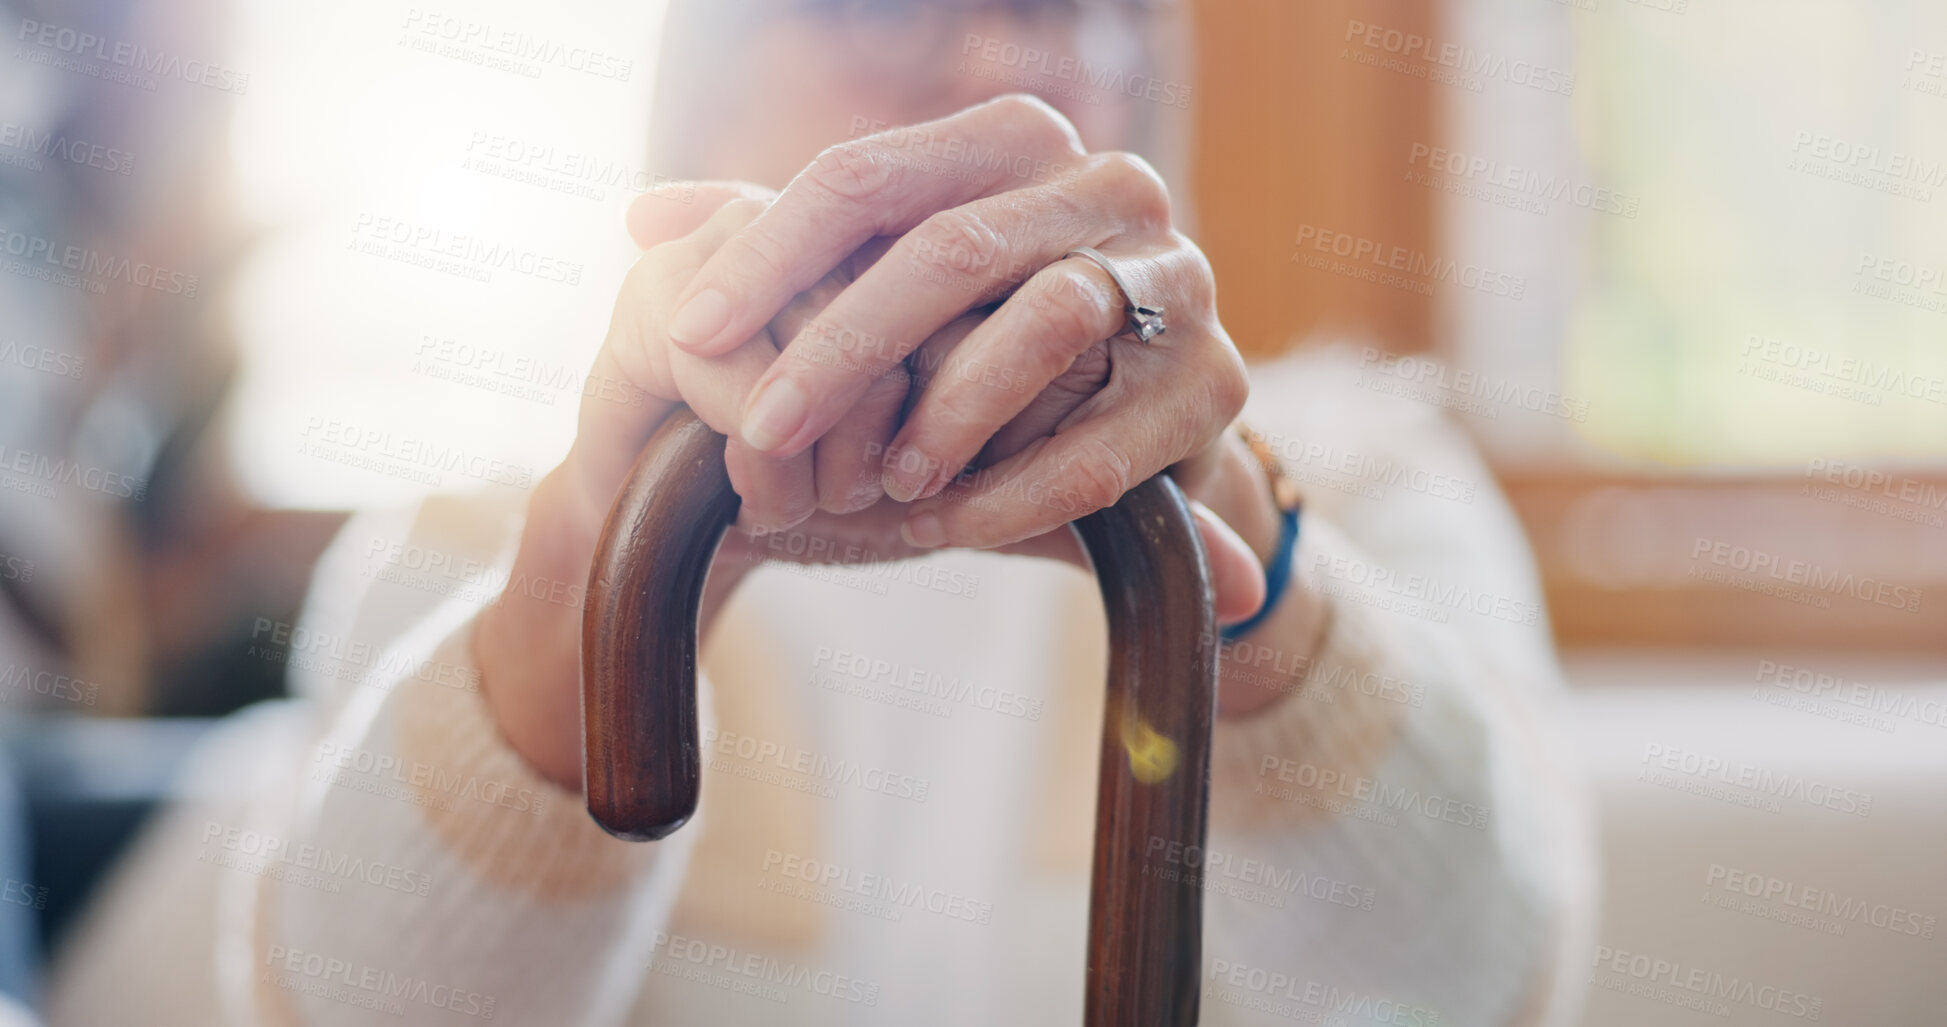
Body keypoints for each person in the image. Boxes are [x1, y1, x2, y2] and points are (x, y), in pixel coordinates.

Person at [46, 1, 1595, 1024]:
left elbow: (1490, 981)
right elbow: (339, 1006)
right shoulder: (472, 554)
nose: (1005, 67)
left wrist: (1230, 523)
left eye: (1078, 8)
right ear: (703, 110)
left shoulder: (1375, 487)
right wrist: (602, 538)